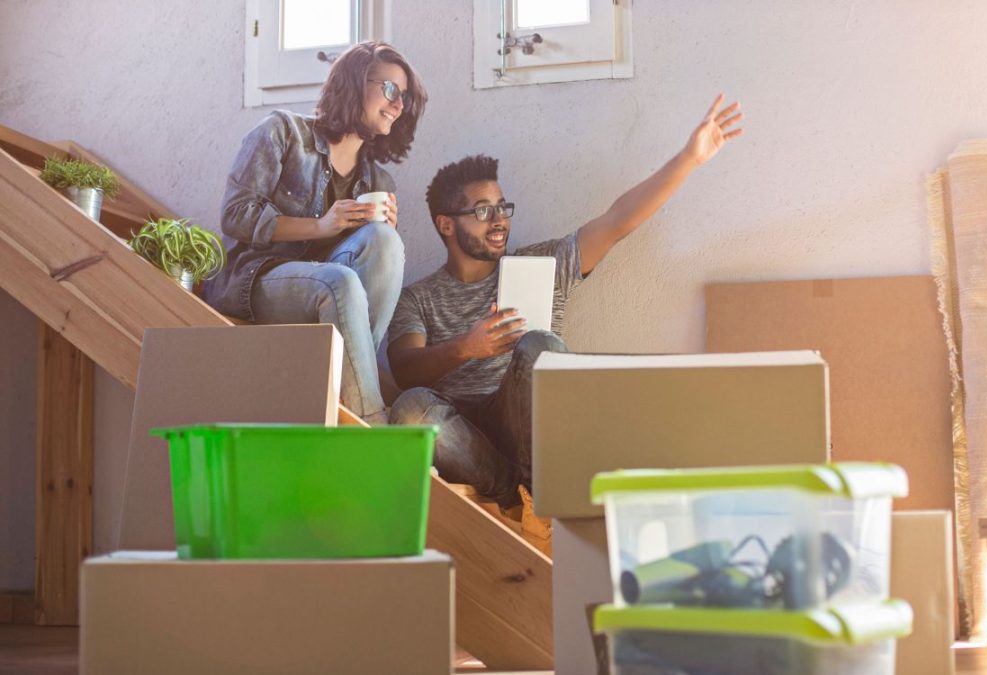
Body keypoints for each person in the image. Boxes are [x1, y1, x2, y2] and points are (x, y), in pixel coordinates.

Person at [387, 93, 744, 505]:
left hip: (529, 427)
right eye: (483, 211)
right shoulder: (417, 297)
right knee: (411, 408)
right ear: (446, 224)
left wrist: (689, 158)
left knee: (540, 345)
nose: (500, 219)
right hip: (464, 435)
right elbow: (405, 370)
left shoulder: (544, 262)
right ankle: (514, 496)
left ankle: (540, 489)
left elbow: (617, 221)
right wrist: (467, 347)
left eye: (503, 208)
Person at [202, 42, 427, 425]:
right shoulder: (283, 132)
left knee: (386, 242)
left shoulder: (377, 178)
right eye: (390, 89)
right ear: (356, 82)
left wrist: (380, 235)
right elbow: (235, 215)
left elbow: (365, 275)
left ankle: (348, 395)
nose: (398, 104)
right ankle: (371, 421)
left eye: (404, 97)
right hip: (255, 279)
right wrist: (321, 226)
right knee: (337, 282)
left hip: (329, 295)